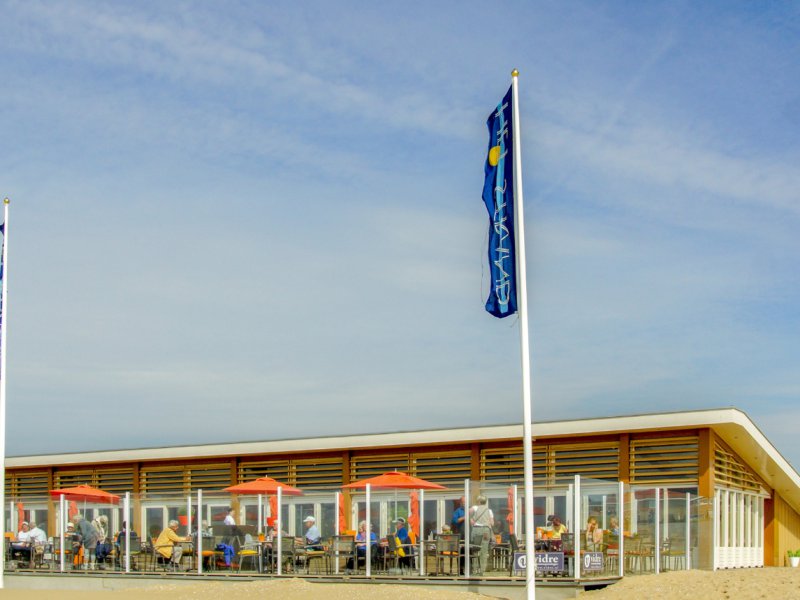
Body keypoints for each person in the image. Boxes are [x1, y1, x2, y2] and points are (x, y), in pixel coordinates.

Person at [469, 496, 494, 575]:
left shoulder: (475, 508)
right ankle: (482, 570)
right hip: (486, 531)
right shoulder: (489, 510)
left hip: (476, 530)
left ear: (479, 501)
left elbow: (467, 515)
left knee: (475, 549)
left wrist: (471, 520)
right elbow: (492, 523)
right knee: (484, 550)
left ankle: (474, 569)